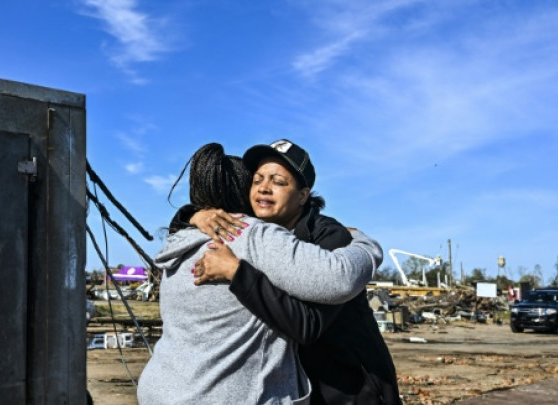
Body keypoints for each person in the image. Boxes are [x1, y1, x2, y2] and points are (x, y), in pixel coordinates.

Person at [136, 143, 384, 405]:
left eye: (278, 181)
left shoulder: (327, 235)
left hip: (348, 388)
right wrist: (194, 214)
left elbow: (309, 320)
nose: (264, 187)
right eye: (257, 180)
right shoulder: (245, 232)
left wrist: (237, 272)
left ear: (303, 195)